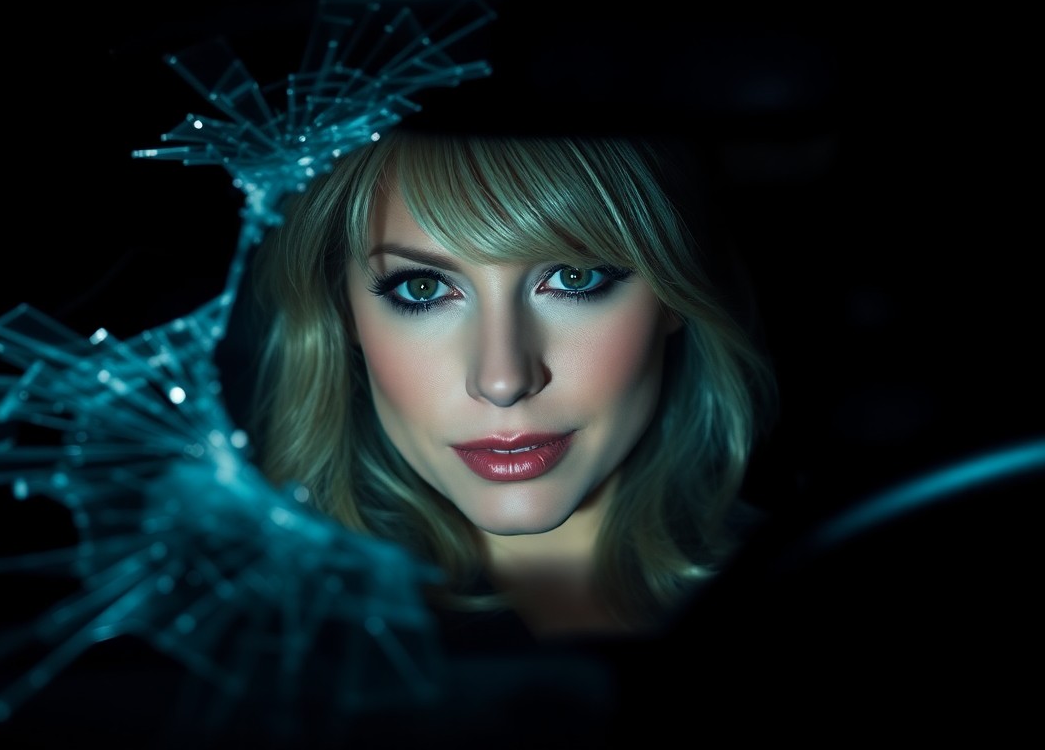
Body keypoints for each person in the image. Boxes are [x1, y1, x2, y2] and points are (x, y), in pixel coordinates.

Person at [241, 128, 776, 644]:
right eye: (423, 289)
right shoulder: (275, 655)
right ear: (344, 316)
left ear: (671, 295)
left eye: (573, 277)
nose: (502, 380)